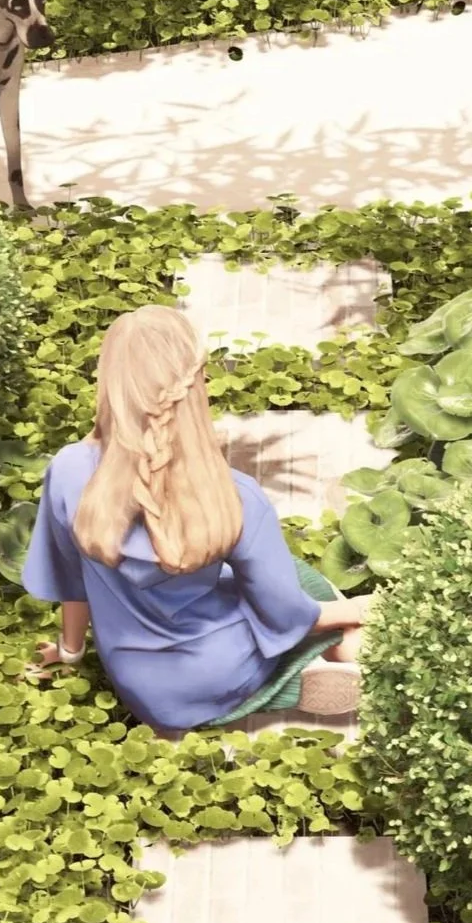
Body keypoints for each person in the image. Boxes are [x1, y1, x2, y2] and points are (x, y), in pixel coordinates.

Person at [21, 305, 371, 734]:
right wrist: (357, 607)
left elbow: (70, 581)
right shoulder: (232, 495)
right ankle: (300, 678)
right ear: (196, 385)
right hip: (218, 669)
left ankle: (307, 673)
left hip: (138, 683)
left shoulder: (69, 470)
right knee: (308, 586)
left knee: (272, 592)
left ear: (108, 382)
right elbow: (284, 614)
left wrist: (70, 651)